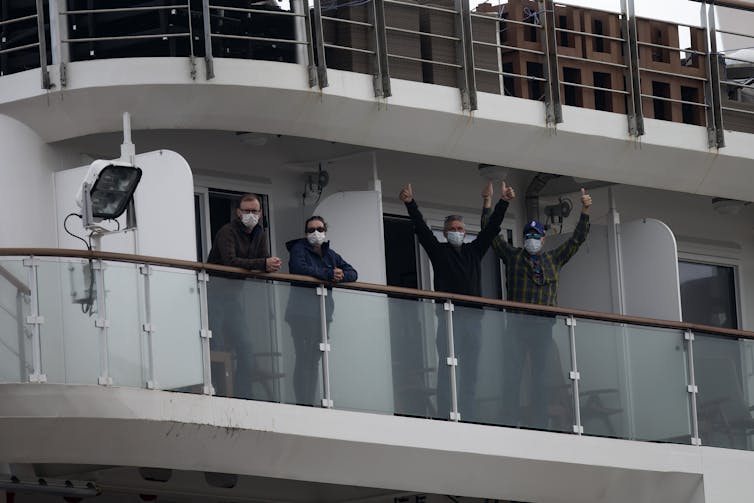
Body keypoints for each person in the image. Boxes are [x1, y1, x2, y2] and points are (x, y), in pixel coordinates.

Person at [399, 182, 512, 420]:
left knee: (470, 372)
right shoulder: (439, 252)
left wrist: (502, 202)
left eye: (460, 228)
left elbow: (492, 229)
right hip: (450, 319)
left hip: (473, 321)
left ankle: (468, 415)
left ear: (465, 232)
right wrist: (410, 203)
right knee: (447, 369)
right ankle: (445, 414)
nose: (457, 231)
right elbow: (421, 229)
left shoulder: (474, 251)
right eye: (452, 228)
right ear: (445, 232)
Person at [482, 187, 592, 428]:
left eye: (537, 235)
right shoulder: (513, 256)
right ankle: (509, 420)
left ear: (544, 239)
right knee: (512, 376)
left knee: (541, 379)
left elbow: (577, 239)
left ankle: (540, 422)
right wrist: (490, 203)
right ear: (524, 238)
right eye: (529, 235)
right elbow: (491, 234)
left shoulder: (554, 259)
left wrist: (584, 210)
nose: (532, 239)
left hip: (543, 327)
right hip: (517, 325)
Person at [206, 193, 282, 399]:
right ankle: (218, 392)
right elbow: (230, 262)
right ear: (238, 212)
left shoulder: (259, 234)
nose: (250, 215)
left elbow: (262, 260)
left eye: (254, 211)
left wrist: (270, 265)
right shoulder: (227, 232)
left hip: (233, 299)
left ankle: (243, 395)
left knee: (246, 347)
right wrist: (262, 264)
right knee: (217, 346)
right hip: (213, 296)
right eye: (246, 211)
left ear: (260, 213)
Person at [285, 216, 358, 405]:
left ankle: (311, 401)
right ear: (305, 233)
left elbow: (352, 273)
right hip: (301, 313)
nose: (315, 233)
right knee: (304, 358)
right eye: (311, 230)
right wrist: (328, 274)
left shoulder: (331, 255)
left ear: (325, 231)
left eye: (319, 229)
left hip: (323, 313)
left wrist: (339, 276)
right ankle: (304, 402)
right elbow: (298, 269)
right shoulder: (298, 249)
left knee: (314, 360)